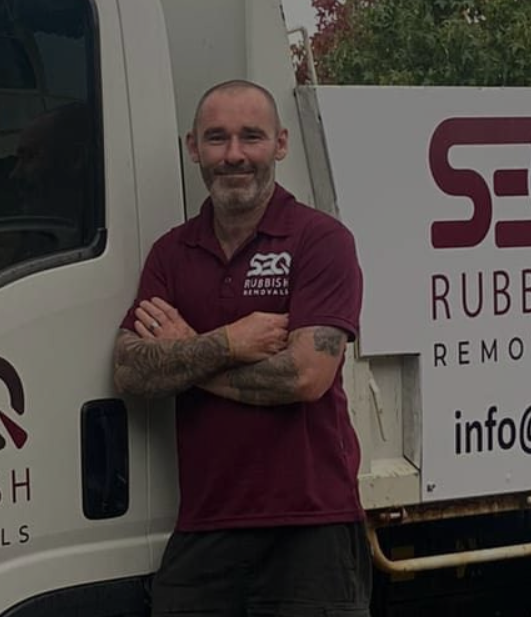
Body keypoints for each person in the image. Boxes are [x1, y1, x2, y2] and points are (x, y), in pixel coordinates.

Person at [111, 79, 369, 616]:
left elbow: (304, 377)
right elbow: (131, 372)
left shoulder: (320, 240)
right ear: (192, 148)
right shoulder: (171, 252)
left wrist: (189, 355)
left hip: (310, 527)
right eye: (216, 139)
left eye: (250, 137)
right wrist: (228, 342)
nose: (233, 156)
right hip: (205, 527)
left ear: (280, 143)